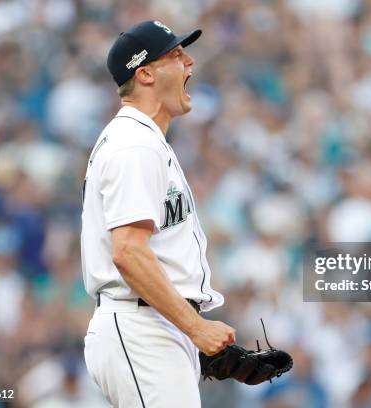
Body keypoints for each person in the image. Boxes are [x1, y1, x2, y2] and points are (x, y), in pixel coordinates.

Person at [80, 20, 236, 408]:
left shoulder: (143, 140)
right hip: (141, 327)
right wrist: (196, 327)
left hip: (153, 325)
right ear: (145, 73)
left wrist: (186, 332)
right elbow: (128, 253)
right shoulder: (134, 144)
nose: (190, 63)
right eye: (176, 55)